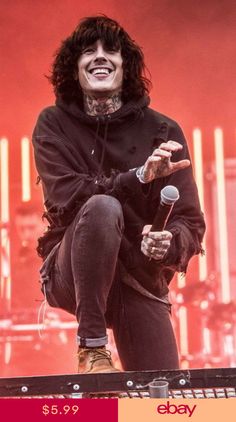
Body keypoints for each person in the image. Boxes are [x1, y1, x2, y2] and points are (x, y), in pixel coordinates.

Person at [32, 16, 205, 374]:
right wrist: (139, 176)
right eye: (87, 51)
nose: (99, 57)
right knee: (101, 207)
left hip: (138, 278)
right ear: (74, 67)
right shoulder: (52, 124)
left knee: (164, 397)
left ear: (126, 66)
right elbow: (68, 197)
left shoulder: (163, 130)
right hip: (71, 274)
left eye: (110, 50)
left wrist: (167, 244)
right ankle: (92, 348)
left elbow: (190, 221)